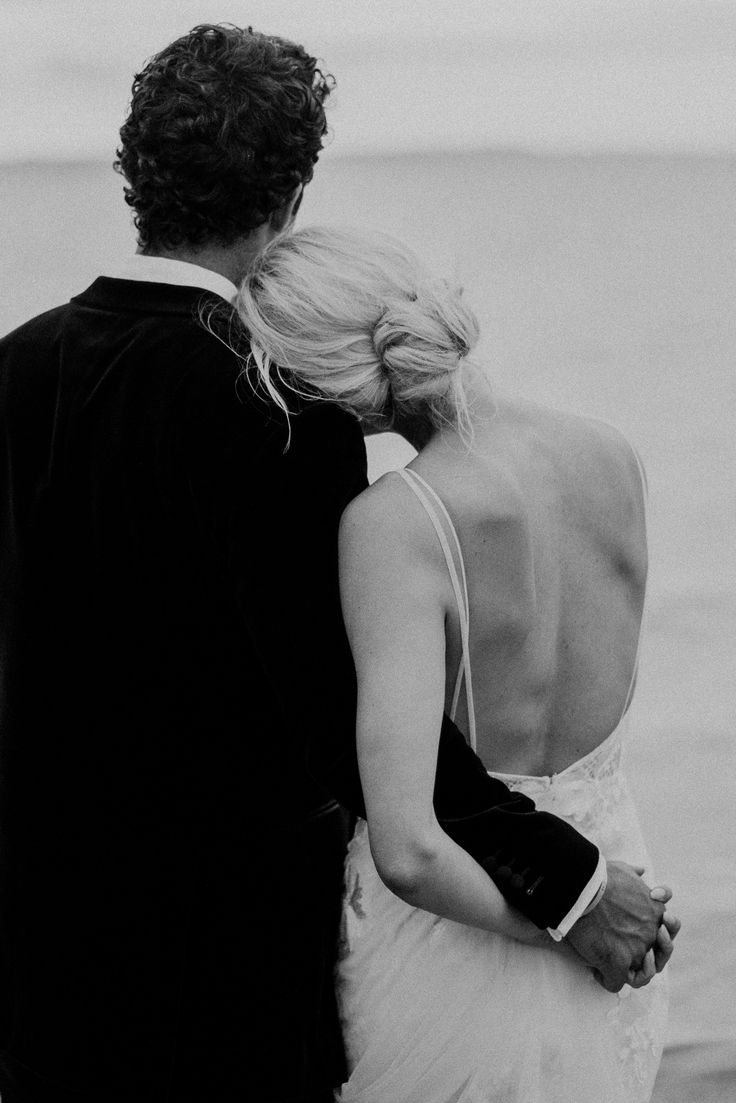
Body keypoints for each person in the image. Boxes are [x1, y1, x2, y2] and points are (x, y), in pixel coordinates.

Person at [0, 23, 671, 1103]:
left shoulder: (15, 368)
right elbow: (346, 703)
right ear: (291, 195)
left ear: (135, 173)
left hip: (38, 953)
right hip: (227, 963)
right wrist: (568, 877)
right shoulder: (273, 406)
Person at [235, 225, 680, 1102]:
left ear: (326, 386)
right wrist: (599, 898)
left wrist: (571, 918)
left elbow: (410, 848)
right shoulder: (612, 454)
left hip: (466, 948)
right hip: (626, 895)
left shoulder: (394, 523)